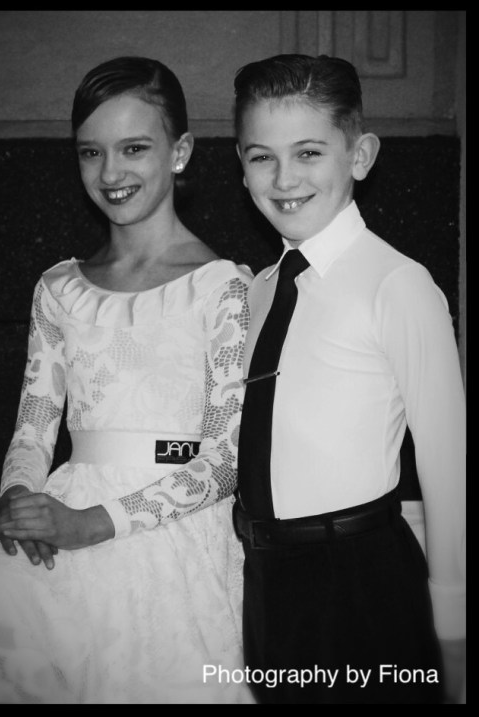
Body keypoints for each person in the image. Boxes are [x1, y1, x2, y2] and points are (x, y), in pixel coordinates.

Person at [0, 56, 255, 705]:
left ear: (180, 152)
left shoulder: (224, 289)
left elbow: (224, 461)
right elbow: (33, 428)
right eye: (90, 152)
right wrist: (19, 501)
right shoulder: (58, 287)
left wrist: (93, 524)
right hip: (60, 519)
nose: (110, 172)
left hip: (174, 532)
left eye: (134, 148)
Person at [232, 54, 465, 704]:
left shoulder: (397, 284)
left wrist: (454, 627)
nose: (284, 178)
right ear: (241, 167)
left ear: (359, 155)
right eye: (261, 157)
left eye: (308, 153)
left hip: (360, 580)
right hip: (267, 581)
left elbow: (449, 466)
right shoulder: (258, 290)